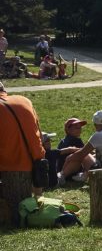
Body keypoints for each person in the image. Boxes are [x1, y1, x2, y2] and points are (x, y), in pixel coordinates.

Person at [0, 81, 46, 224]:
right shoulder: (24, 100)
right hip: (35, 161)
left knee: (16, 215)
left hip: (10, 165)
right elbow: (38, 130)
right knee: (29, 208)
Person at [56, 117, 94, 183]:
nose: (79, 129)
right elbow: (82, 153)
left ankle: (86, 174)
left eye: (80, 127)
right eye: (76, 128)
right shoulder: (71, 140)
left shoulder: (70, 139)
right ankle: (89, 174)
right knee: (84, 155)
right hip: (68, 170)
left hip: (70, 170)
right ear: (68, 130)